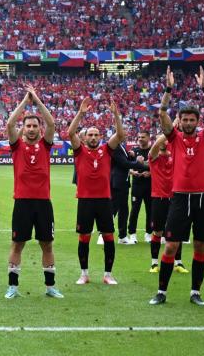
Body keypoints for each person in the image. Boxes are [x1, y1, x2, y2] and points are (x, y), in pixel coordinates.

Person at [149, 66, 204, 307]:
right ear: (180, 121)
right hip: (179, 198)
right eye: (185, 119)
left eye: (192, 120)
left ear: (197, 122)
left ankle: (195, 292)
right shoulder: (174, 138)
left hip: (203, 198)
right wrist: (168, 89)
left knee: (200, 246)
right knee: (170, 246)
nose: (188, 123)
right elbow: (161, 113)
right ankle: (161, 291)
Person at [4, 85, 62, 299]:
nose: (30, 128)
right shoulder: (17, 146)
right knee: (17, 244)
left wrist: (36, 99)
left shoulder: (45, 146)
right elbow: (10, 123)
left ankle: (50, 287)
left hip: (43, 202)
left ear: (39, 129)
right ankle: (12, 287)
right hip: (22, 202)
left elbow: (53, 123)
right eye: (27, 125)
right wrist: (24, 101)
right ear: (24, 128)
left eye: (34, 126)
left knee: (47, 244)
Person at [68, 96, 125, 286]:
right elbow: (70, 133)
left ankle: (108, 274)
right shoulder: (79, 151)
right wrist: (80, 114)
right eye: (90, 135)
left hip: (104, 201)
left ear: (100, 137)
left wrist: (116, 115)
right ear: (84, 138)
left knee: (108, 237)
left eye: (96, 135)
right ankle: (84, 274)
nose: (93, 137)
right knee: (84, 238)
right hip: (85, 200)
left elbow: (120, 136)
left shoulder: (106, 150)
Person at [147, 126, 187, 274]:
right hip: (159, 198)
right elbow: (157, 145)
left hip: (176, 197)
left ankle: (179, 262)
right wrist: (169, 130)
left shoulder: (175, 155)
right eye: (159, 138)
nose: (162, 141)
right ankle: (154, 263)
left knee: (177, 231)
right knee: (157, 231)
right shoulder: (153, 156)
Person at [127, 131, 153, 244]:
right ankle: (132, 234)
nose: (140, 139)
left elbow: (159, 167)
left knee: (150, 211)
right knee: (134, 210)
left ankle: (148, 234)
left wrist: (151, 173)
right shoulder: (134, 152)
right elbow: (127, 167)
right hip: (137, 185)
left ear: (148, 138)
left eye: (143, 137)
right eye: (139, 137)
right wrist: (134, 173)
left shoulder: (153, 150)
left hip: (151, 186)